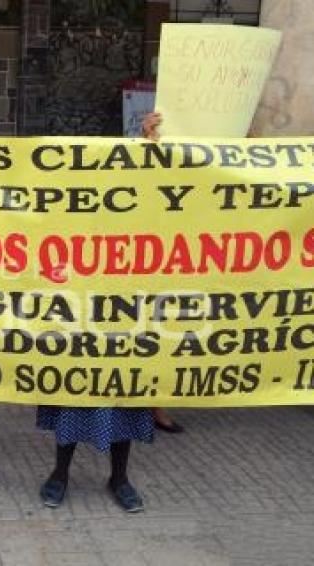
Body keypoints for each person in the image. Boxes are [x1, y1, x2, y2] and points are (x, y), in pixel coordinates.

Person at [141, 111, 185, 434]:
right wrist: (149, 140)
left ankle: (155, 403)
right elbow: (144, 173)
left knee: (166, 326)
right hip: (144, 253)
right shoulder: (153, 149)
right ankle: (142, 401)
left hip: (181, 250)